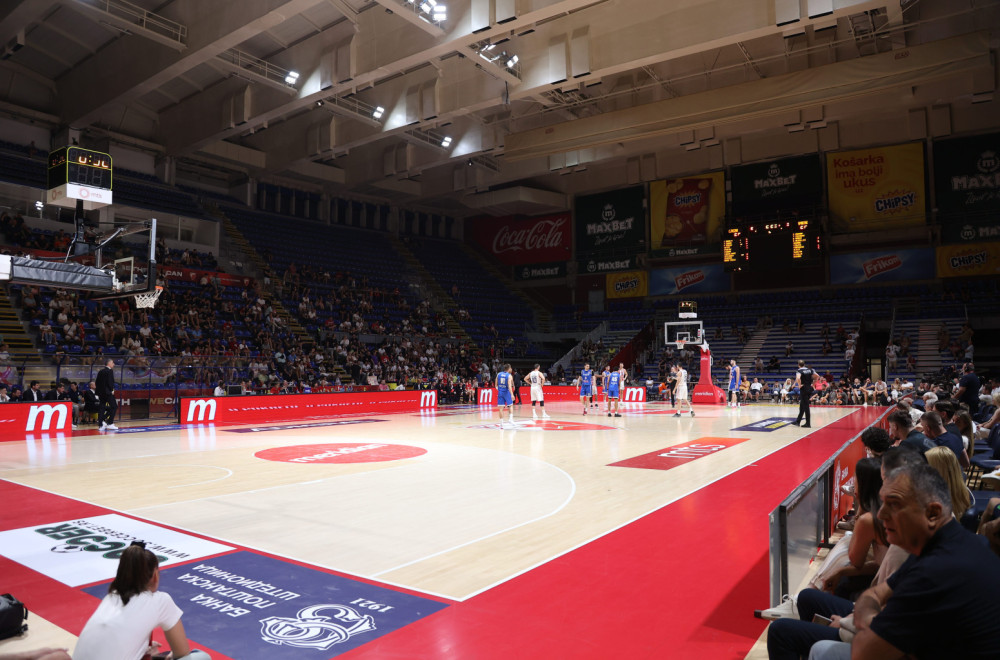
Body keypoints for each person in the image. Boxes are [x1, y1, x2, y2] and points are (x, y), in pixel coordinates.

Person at [851, 462, 1000, 658]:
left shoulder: (935, 571)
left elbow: (862, 653)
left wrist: (867, 619)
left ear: (932, 513)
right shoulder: (950, 541)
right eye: (883, 502)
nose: (881, 514)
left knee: (822, 648)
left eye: (894, 504)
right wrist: (873, 619)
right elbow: (877, 592)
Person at [73, 544, 211, 660]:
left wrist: (141, 646)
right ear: (155, 575)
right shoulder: (161, 600)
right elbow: (181, 653)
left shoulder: (111, 596)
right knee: (201, 657)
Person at [96, 358, 119, 431]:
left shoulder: (101, 371)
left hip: (101, 393)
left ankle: (100, 424)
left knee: (102, 408)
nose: (114, 364)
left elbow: (97, 382)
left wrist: (98, 392)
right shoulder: (109, 371)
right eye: (112, 363)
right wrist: (111, 390)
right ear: (109, 363)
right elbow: (110, 382)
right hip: (107, 392)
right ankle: (110, 423)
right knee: (114, 406)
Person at [794, 360, 815, 428]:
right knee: (802, 405)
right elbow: (817, 376)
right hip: (809, 388)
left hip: (804, 388)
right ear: (804, 364)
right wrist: (813, 384)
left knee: (806, 406)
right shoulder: (810, 370)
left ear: (798, 365)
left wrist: (799, 385)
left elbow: (798, 378)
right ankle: (798, 421)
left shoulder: (799, 371)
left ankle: (808, 424)